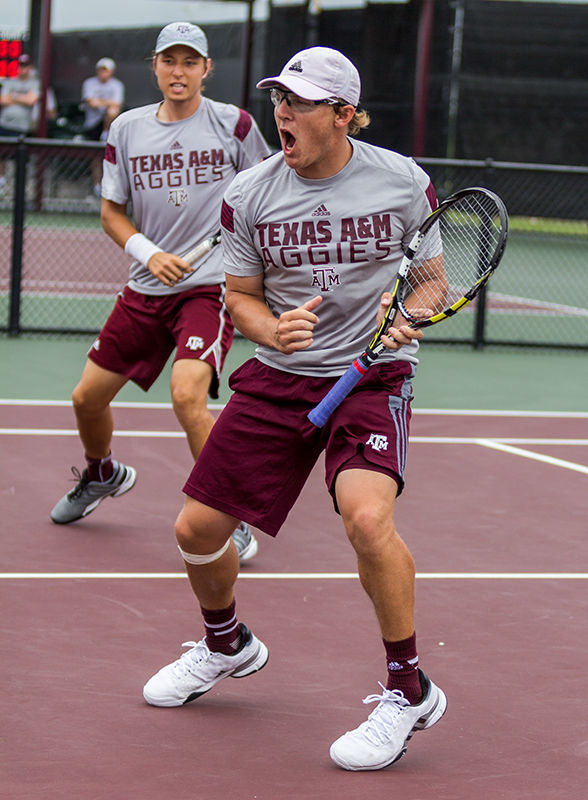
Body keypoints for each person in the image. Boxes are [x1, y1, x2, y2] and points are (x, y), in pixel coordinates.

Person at [142, 46, 447, 771]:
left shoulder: (404, 183)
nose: (285, 111)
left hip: (372, 377)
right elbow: (238, 297)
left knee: (367, 519)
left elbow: (432, 283)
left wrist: (413, 317)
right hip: (281, 374)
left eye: (304, 102)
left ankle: (408, 690)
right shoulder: (249, 192)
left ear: (344, 115)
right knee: (197, 528)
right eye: (280, 97)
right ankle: (226, 645)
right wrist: (269, 327)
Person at [50, 22, 272, 563]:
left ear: (205, 69)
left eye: (189, 62)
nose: (179, 71)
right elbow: (110, 213)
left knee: (187, 395)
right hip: (146, 286)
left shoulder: (235, 125)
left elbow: (269, 189)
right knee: (86, 398)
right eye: (169, 61)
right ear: (154, 66)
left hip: (208, 289)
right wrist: (149, 254)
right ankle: (102, 473)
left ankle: (231, 515)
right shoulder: (125, 129)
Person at [81, 57, 125, 196]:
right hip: (93, 124)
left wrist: (100, 102)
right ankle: (97, 186)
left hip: (111, 125)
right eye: (101, 70)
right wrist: (107, 102)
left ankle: (106, 133)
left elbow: (116, 105)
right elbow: (90, 102)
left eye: (106, 70)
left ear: (111, 72)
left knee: (111, 157)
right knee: (96, 156)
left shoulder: (117, 85)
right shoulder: (89, 83)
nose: (103, 73)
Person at [0, 54, 40, 190]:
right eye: (20, 66)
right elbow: (2, 100)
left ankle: (19, 187)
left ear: (30, 68)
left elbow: (31, 100)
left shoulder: (35, 83)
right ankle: (2, 183)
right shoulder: (9, 81)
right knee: (1, 155)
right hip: (4, 124)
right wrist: (22, 98)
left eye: (25, 66)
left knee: (20, 159)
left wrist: (13, 96)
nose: (23, 69)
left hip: (21, 127)